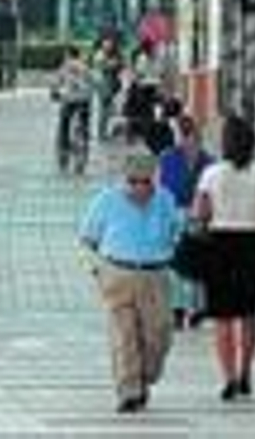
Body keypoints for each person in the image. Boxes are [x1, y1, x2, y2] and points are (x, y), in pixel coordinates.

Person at [80, 150, 182, 414]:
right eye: (133, 181)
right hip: (118, 274)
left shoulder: (165, 200)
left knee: (159, 334)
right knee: (124, 335)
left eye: (146, 182)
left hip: (155, 275)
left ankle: (145, 376)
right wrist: (97, 268)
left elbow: (176, 233)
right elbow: (87, 237)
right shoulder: (107, 200)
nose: (140, 188)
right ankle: (129, 391)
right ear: (125, 179)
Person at [193, 117, 255, 401]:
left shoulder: (211, 174)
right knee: (248, 313)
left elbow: (200, 214)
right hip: (251, 244)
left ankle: (229, 377)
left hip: (220, 243)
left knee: (222, 317)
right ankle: (246, 371)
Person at [158, 116, 214, 329]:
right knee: (176, 266)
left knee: (197, 266)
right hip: (176, 215)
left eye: (193, 137)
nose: (189, 142)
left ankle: (198, 308)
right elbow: (163, 190)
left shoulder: (208, 161)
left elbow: (210, 193)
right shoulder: (168, 158)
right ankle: (178, 308)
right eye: (185, 136)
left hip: (199, 217)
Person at [52, 46, 95, 173]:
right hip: (84, 100)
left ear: (68, 55)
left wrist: (54, 93)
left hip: (69, 99)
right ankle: (84, 142)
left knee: (64, 125)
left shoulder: (64, 67)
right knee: (84, 123)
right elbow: (92, 81)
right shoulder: (85, 66)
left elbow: (56, 82)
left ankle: (64, 149)